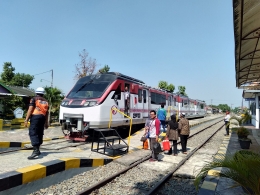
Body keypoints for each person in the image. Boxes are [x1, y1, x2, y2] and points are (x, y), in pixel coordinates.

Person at [24, 87, 49, 160]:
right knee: (39, 132)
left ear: (36, 92)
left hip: (35, 117)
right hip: (42, 118)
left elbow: (30, 109)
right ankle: (38, 149)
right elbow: (46, 112)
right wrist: (46, 122)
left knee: (33, 132)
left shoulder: (34, 99)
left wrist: (26, 120)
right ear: (43, 94)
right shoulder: (46, 101)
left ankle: (35, 150)